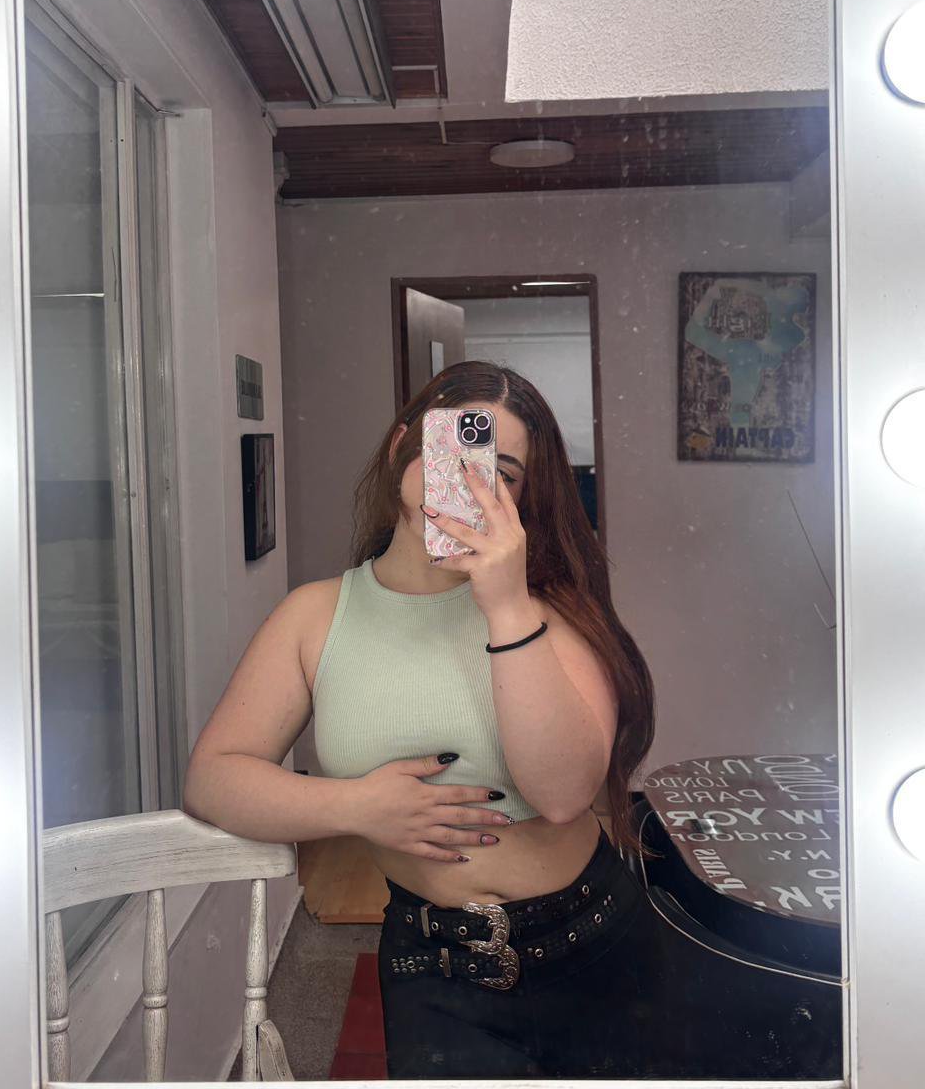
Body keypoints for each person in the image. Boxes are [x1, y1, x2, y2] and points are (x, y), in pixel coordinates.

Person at [182, 361, 841, 1079]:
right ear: (404, 446)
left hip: (594, 942)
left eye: (501, 471)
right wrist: (356, 807)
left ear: (524, 498)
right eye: (455, 453)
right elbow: (214, 779)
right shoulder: (313, 617)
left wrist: (504, 604)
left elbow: (561, 794)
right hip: (432, 965)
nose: (471, 482)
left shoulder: (552, 609)